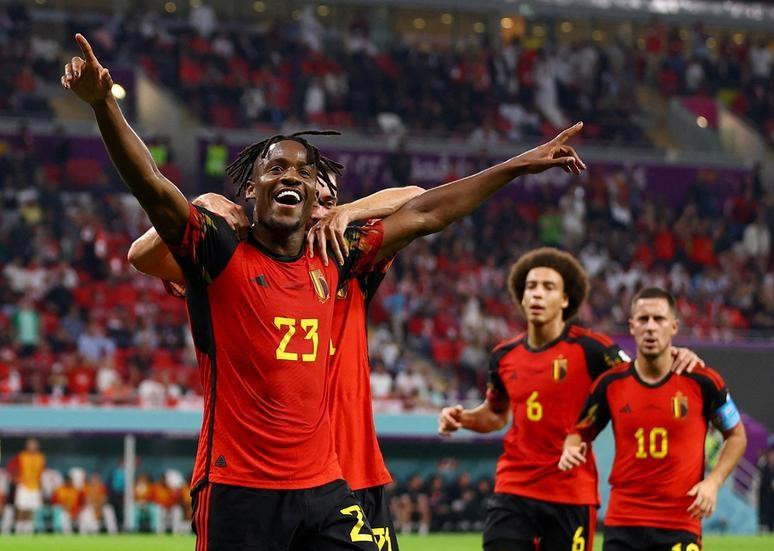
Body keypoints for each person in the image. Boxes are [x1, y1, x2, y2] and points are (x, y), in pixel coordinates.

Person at [62, 33, 586, 550]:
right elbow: (151, 189)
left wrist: (518, 164)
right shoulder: (217, 251)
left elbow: (427, 209)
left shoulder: (340, 257)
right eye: (277, 168)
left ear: (319, 194)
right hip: (240, 487)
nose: (292, 178)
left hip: (328, 484)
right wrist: (104, 105)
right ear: (252, 186)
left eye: (305, 174)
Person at [128, 177, 424, 551]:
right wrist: (201, 205)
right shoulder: (236, 264)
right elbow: (142, 256)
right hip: (270, 480)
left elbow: (416, 199)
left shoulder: (352, 260)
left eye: (327, 200)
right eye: (311, 198)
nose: (318, 208)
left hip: (353, 471)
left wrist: (349, 212)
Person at [438, 248, 702, 551]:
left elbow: (643, 377)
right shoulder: (503, 355)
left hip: (570, 493)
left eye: (548, 287)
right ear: (521, 298)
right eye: (531, 287)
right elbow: (496, 415)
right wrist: (464, 418)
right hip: (514, 487)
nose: (537, 294)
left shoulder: (592, 349)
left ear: (565, 300)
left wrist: (676, 355)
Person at [560, 287, 747, 551]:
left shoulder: (703, 381)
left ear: (674, 326)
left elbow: (737, 435)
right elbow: (580, 432)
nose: (650, 327)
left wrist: (713, 482)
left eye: (658, 319)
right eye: (643, 319)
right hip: (623, 522)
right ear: (631, 326)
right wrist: (570, 447)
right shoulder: (610, 384)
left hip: (680, 522)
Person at [13, 438, 45, 534]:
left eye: (34, 445)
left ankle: (28, 530)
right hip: (24, 485)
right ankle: (19, 529)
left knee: (32, 509)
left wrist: (41, 485)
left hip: (35, 486)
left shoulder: (41, 457)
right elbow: (12, 468)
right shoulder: (21, 456)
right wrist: (17, 479)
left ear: (37, 446)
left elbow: (41, 472)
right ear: (26, 446)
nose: (32, 446)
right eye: (30, 444)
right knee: (22, 508)